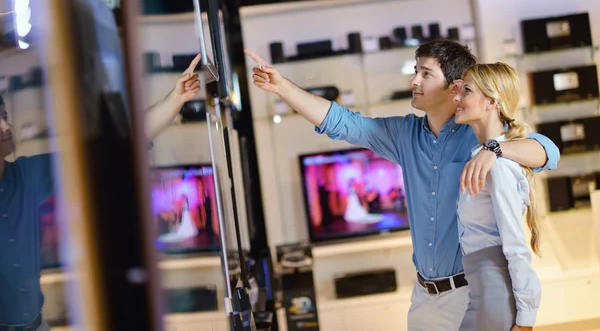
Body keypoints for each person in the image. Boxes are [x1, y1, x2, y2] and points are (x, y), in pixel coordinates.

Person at [245, 40, 559, 331]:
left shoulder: (477, 134)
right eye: (415, 72)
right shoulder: (403, 135)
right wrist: (282, 87)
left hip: (471, 291)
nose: (414, 82)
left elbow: (548, 151)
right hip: (424, 297)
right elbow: (341, 122)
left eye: (425, 74)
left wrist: (495, 150)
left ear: (454, 87)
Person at [0, 55, 202, 330]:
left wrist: (176, 99)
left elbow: (113, 147)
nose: (6, 127)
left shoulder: (27, 176)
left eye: (4, 117)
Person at [454, 63, 541, 331]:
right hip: (479, 290)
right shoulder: (479, 156)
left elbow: (515, 246)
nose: (457, 97)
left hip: (494, 294)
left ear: (491, 101)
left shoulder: (498, 166)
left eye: (466, 90)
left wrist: (526, 319)